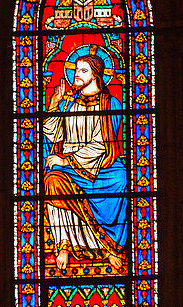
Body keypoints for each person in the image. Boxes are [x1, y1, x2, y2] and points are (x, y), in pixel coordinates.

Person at [43, 53, 127, 272]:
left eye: (83, 71)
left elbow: (102, 143)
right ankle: (65, 244)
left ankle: (109, 246)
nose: (76, 75)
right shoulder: (70, 104)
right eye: (76, 70)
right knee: (52, 181)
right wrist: (54, 105)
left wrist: (66, 160)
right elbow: (52, 133)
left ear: (96, 75)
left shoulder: (112, 104)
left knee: (122, 179)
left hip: (102, 164)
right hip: (70, 168)